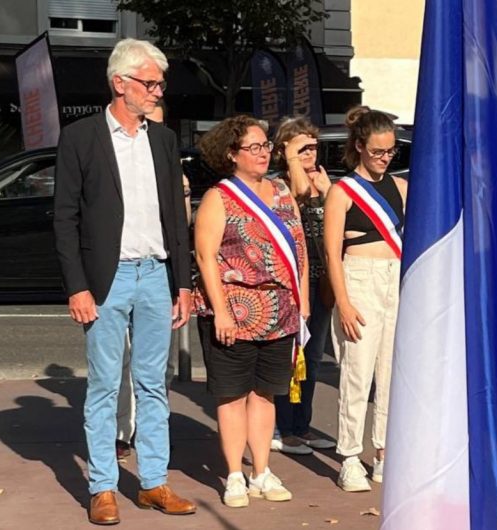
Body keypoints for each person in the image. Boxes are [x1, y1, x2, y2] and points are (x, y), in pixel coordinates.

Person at [53, 39, 196, 525]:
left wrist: (183, 282)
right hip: (105, 280)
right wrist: (77, 285)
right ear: (121, 83)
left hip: (156, 274)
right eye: (150, 82)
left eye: (159, 83)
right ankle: (103, 488)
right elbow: (65, 217)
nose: (158, 91)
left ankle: (154, 482)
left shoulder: (163, 139)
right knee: (104, 385)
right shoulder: (81, 137)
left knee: (154, 383)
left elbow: (175, 214)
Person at [193, 115, 309, 508]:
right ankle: (235, 475)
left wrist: (302, 300)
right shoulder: (218, 197)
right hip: (235, 313)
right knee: (232, 396)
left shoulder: (280, 191)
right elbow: (206, 257)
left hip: (280, 310)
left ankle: (261, 470)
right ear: (231, 154)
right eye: (254, 147)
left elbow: (298, 247)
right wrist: (222, 312)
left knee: (265, 395)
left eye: (265, 146)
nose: (263, 154)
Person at [323, 106, 407, 492]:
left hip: (396, 278)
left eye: (391, 151)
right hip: (358, 278)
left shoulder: (402, 187)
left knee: (392, 374)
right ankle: (350, 456)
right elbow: (331, 252)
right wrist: (343, 302)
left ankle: (385, 452)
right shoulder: (342, 192)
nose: (385, 158)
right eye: (378, 151)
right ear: (359, 147)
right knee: (357, 373)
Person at [115, 101, 192, 459]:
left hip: (157, 269)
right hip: (119, 268)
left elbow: (180, 225)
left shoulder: (170, 163)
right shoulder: (115, 156)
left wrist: (183, 283)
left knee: (159, 367)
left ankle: (153, 436)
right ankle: (121, 430)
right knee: (121, 361)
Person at [270, 117, 335, 455]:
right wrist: (293, 160)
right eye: (303, 147)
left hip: (321, 279)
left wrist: (327, 193)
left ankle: (302, 424)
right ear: (285, 150)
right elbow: (297, 194)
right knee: (289, 354)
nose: (311, 152)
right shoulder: (277, 184)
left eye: (313, 146)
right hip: (291, 281)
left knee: (313, 354)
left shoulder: (325, 182)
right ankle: (284, 426)